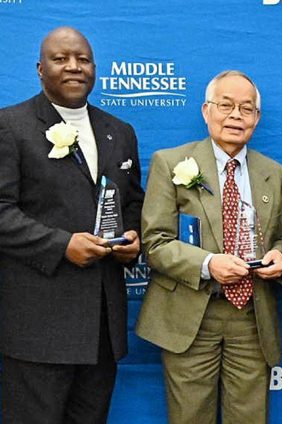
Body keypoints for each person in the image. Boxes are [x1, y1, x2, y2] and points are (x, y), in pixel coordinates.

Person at [0, 27, 144, 423]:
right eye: (60, 59)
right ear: (40, 69)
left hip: (102, 329)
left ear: (94, 68)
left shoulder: (120, 132)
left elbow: (133, 202)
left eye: (83, 59)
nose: (74, 67)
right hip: (38, 328)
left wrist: (133, 238)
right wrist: (61, 245)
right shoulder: (10, 126)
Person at [135, 70, 282, 424]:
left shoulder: (276, 174)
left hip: (251, 317)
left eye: (246, 108)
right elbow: (155, 242)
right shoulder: (171, 163)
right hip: (190, 314)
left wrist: (280, 255)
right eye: (226, 105)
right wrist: (208, 264)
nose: (236, 116)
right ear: (206, 111)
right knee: (189, 417)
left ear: (257, 118)